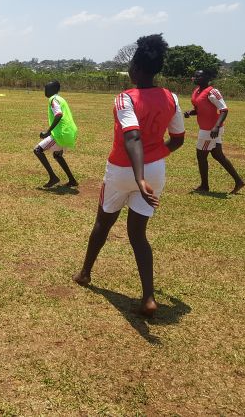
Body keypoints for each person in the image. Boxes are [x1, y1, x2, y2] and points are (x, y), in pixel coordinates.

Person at [73, 34, 185, 317]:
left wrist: (138, 177)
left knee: (103, 221)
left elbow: (132, 137)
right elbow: (179, 138)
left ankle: (85, 273)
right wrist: (156, 160)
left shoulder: (125, 98)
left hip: (124, 172)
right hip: (155, 173)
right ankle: (148, 297)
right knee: (138, 235)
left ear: (136, 69)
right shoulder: (171, 97)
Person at [184, 70, 245, 194]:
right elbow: (199, 109)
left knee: (201, 156)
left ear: (206, 77)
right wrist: (190, 113)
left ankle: (204, 186)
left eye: (198, 76)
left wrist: (216, 127)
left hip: (210, 130)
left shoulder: (213, 92)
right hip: (206, 129)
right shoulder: (196, 91)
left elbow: (224, 110)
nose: (195, 78)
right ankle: (239, 181)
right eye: (194, 76)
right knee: (218, 155)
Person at [34, 80, 78, 188]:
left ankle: (53, 177)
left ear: (53, 90)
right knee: (57, 155)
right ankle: (72, 180)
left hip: (61, 134)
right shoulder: (60, 98)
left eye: (47, 88)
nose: (45, 90)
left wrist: (47, 131)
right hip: (69, 132)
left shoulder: (53, 99)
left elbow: (58, 114)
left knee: (38, 150)